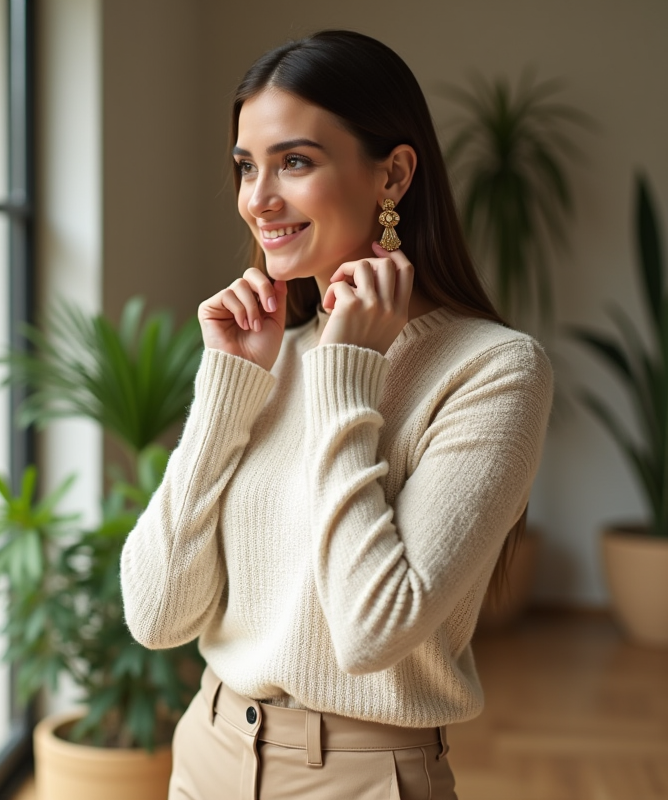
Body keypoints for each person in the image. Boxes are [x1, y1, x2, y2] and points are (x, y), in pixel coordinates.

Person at [121, 30, 553, 800]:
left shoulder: (495, 370)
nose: (259, 198)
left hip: (360, 779)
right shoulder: (264, 357)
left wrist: (346, 376)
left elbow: (372, 631)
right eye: (246, 167)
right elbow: (156, 615)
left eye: (295, 161)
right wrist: (227, 390)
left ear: (393, 173)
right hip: (208, 753)